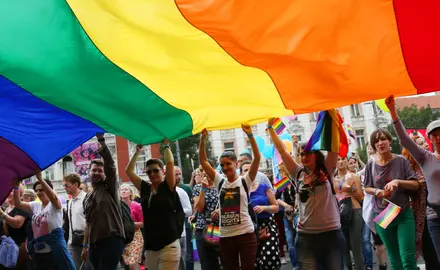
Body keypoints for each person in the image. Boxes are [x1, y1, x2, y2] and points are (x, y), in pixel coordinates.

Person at [267, 118, 344, 270]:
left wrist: (332, 120)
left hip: (331, 235)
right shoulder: (298, 173)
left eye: (308, 153)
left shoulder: (327, 170)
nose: (304, 157)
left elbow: (334, 148)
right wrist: (270, 128)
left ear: (316, 155)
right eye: (302, 154)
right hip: (306, 237)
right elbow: (282, 151)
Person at [386, 95, 440, 264]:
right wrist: (393, 113)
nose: (438, 138)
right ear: (430, 138)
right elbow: (405, 140)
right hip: (433, 215)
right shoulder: (425, 158)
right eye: (435, 135)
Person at [199, 124, 260, 270]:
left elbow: (257, 157)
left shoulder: (246, 180)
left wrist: (250, 135)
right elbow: (204, 162)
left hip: (246, 234)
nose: (225, 167)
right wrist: (202, 140)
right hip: (226, 237)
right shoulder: (220, 182)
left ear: (236, 163)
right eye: (222, 165)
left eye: (228, 164)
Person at [363, 127, 419, 269]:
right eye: (376, 141)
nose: (380, 143)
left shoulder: (401, 161)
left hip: (403, 212)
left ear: (389, 140)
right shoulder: (371, 164)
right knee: (394, 257)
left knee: (407, 256)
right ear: (373, 145)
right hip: (384, 214)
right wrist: (379, 192)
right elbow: (367, 187)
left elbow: (415, 184)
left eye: (383, 139)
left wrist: (398, 182)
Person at [126, 140, 184, 270]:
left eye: (155, 171)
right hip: (151, 246)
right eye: (149, 172)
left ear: (163, 171)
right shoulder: (145, 188)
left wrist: (166, 146)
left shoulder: (167, 186)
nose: (152, 174)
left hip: (169, 244)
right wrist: (137, 152)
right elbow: (129, 171)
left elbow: (170, 163)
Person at [14, 171, 75, 269]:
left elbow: (53, 197)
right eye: (36, 190)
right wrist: (16, 187)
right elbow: (18, 204)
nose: (38, 192)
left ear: (48, 189)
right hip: (38, 252)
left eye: (41, 189)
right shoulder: (35, 205)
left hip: (54, 251)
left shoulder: (55, 204)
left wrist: (40, 179)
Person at [83, 133, 125, 270]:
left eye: (100, 171)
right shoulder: (87, 197)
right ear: (89, 173)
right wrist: (85, 246)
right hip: (94, 245)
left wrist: (101, 140)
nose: (96, 173)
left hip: (112, 240)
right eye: (93, 170)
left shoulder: (109, 188)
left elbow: (111, 167)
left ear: (104, 174)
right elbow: (88, 224)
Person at [334, 157, 364, 270]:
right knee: (343, 247)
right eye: (338, 159)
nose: (340, 162)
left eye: (343, 159)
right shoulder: (333, 179)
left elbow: (361, 196)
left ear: (347, 161)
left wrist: (353, 190)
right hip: (339, 214)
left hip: (354, 210)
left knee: (356, 246)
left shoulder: (354, 176)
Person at [63, 173, 91, 270]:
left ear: (75, 184)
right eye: (64, 185)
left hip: (86, 242)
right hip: (73, 243)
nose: (64, 188)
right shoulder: (70, 201)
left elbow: (89, 222)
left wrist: (85, 245)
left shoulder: (87, 198)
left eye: (67, 185)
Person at [0, 185, 32, 269]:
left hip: (21, 249)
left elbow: (17, 223)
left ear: (19, 194)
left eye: (12, 191)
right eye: (8, 191)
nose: (9, 193)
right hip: (8, 249)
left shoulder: (23, 207)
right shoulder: (6, 209)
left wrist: (2, 214)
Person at [120, 184, 144, 270]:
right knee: (127, 265)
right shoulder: (117, 206)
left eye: (126, 189)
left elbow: (143, 223)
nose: (123, 191)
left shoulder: (136, 206)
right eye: (121, 190)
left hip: (135, 236)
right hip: (123, 237)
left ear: (131, 192)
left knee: (133, 263)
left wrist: (130, 224)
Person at [175, 166, 194, 270]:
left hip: (185, 226)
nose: (178, 177)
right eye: (175, 174)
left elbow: (191, 207)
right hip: (170, 231)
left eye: (179, 174)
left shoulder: (185, 189)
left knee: (187, 254)